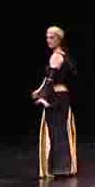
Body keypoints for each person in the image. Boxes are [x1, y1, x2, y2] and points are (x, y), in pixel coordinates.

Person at [32, 26, 78, 178]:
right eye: (47, 37)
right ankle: (63, 168)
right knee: (61, 131)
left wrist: (43, 97)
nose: (48, 40)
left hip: (56, 98)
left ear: (59, 39)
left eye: (51, 37)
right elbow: (50, 79)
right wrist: (40, 91)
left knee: (54, 132)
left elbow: (51, 79)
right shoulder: (65, 56)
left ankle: (56, 168)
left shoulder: (56, 57)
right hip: (63, 97)